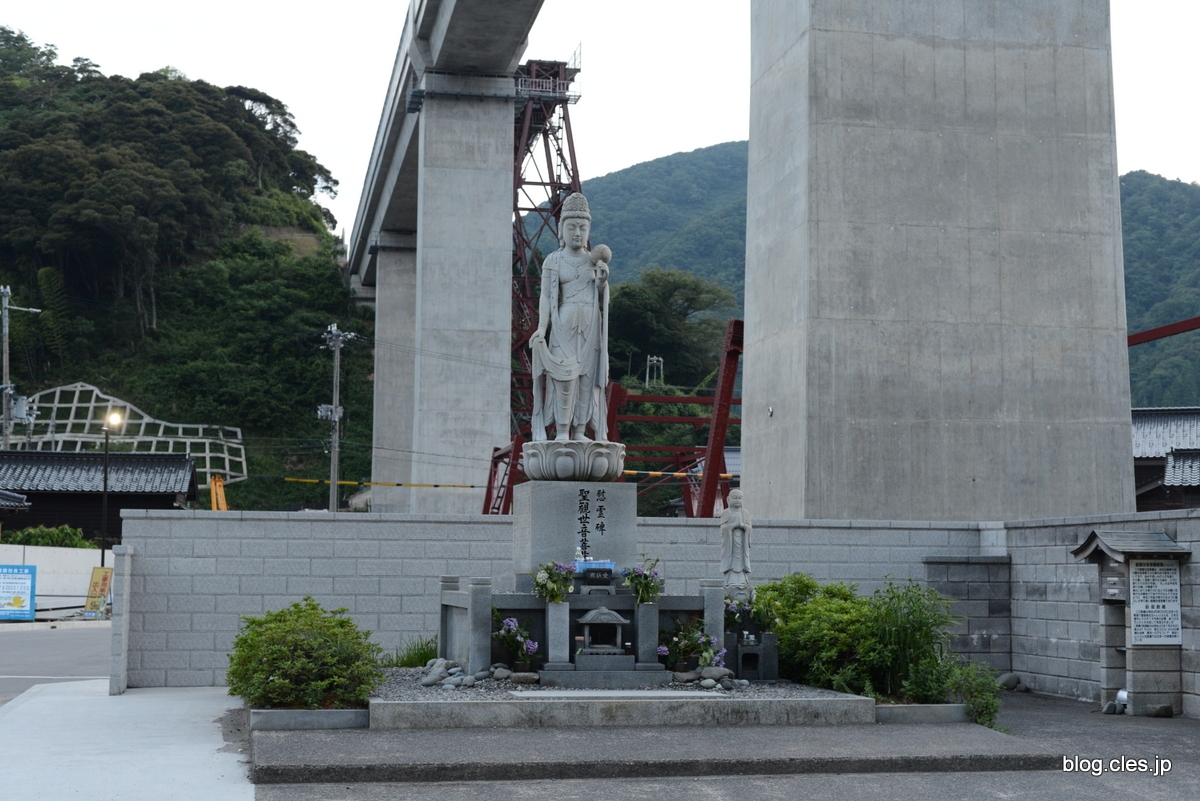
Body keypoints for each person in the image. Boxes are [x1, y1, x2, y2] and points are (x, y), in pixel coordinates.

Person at [529, 192, 611, 442]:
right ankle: (562, 430)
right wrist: (542, 328)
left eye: (583, 228)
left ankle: (579, 431)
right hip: (563, 324)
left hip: (589, 325)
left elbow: (601, 295)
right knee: (564, 378)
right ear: (560, 231)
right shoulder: (553, 261)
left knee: (587, 380)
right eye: (572, 227)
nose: (577, 233)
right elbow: (546, 296)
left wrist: (603, 282)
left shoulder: (592, 261)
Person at [720, 489, 752, 590]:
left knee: (742, 562)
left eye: (740, 498)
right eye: (735, 498)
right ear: (728, 499)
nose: (737, 500)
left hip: (742, 543)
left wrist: (743, 526)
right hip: (730, 543)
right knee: (732, 562)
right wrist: (732, 526)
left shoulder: (745, 513)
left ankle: (742, 581)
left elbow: (749, 528)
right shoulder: (726, 513)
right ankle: (730, 581)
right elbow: (723, 529)